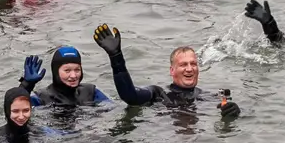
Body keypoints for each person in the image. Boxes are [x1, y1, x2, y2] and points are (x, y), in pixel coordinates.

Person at [92, 23, 241, 118]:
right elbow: (130, 96)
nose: (189, 69)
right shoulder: (158, 94)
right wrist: (116, 57)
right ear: (172, 70)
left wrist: (234, 112)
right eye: (183, 65)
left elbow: (226, 114)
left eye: (193, 64)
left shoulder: (207, 97)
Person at [18, 46, 111, 107]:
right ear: (56, 72)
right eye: (67, 70)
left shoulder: (91, 92)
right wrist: (26, 84)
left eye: (77, 70)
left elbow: (115, 109)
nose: (73, 75)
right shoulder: (42, 98)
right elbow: (16, 109)